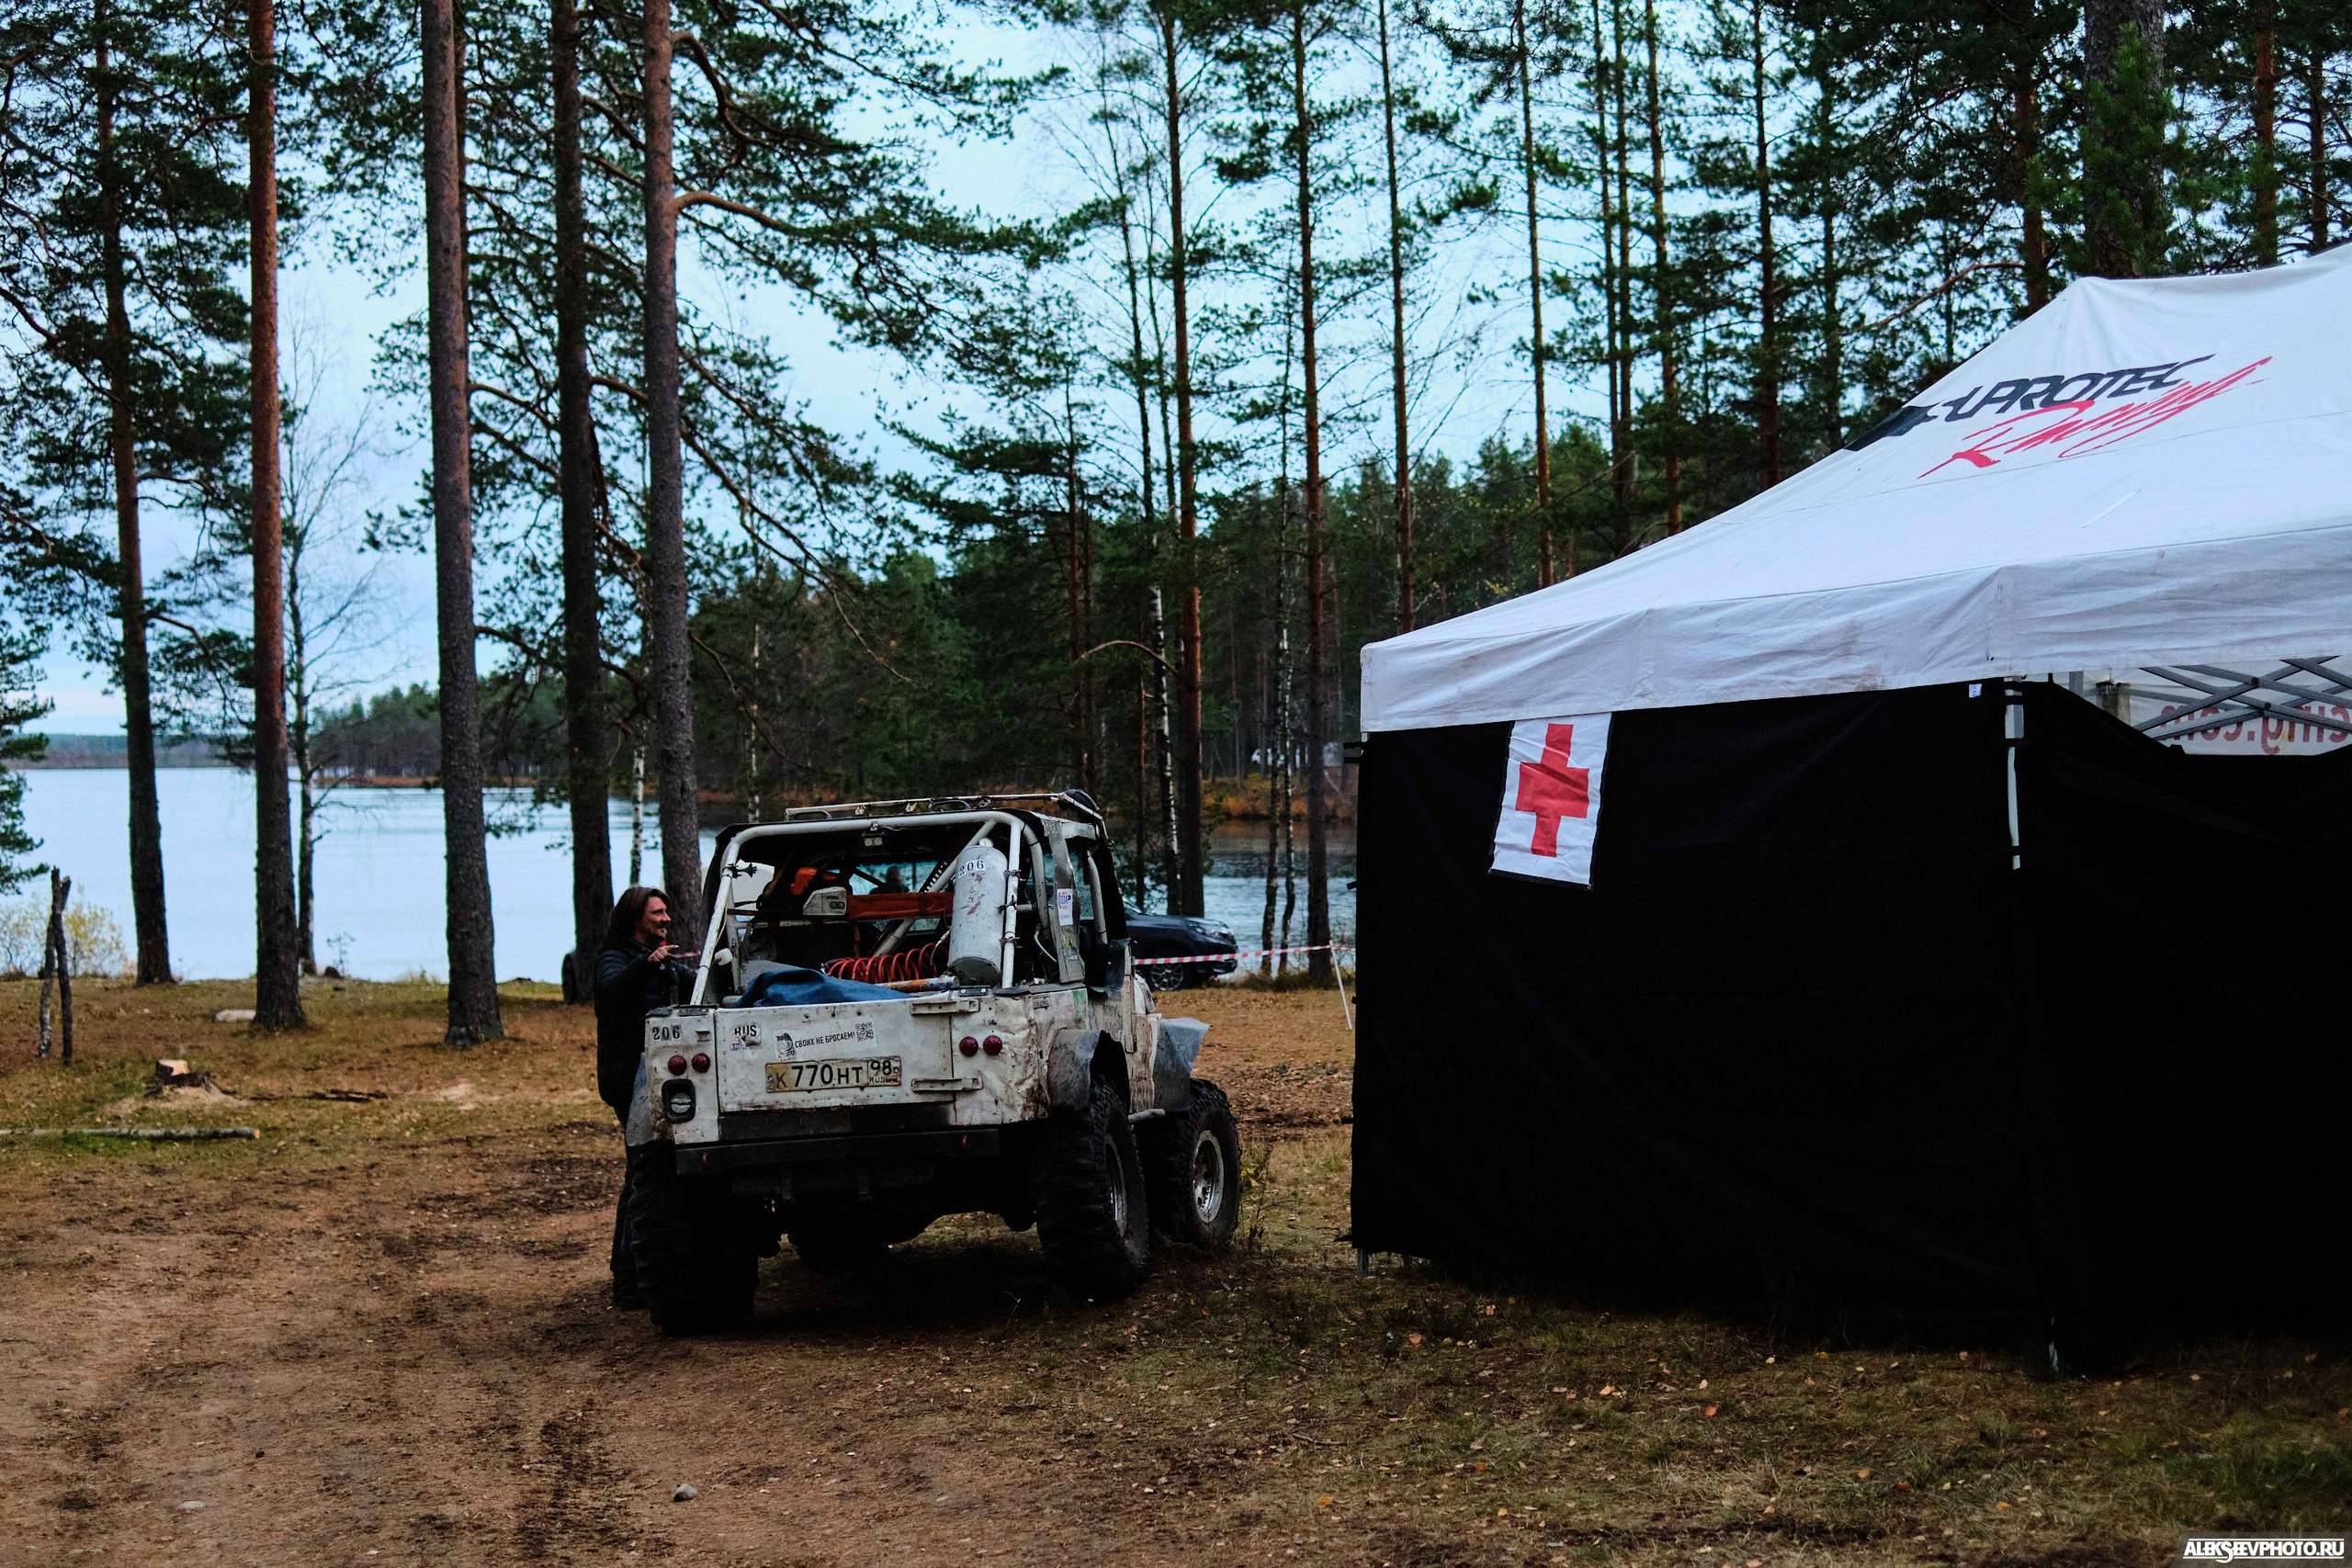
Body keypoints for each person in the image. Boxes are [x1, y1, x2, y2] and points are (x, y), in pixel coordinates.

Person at [594, 886, 693, 1310]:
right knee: (640, 1175)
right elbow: (610, 991)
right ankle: (627, 1280)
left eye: (667, 912)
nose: (666, 918)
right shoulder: (614, 959)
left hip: (652, 1083)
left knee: (646, 1174)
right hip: (627, 1082)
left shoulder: (661, 961)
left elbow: (692, 986)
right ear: (636, 917)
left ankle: (638, 1272)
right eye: (658, 912)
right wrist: (645, 963)